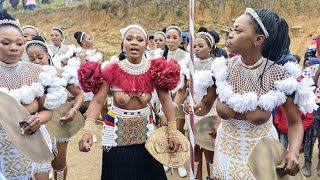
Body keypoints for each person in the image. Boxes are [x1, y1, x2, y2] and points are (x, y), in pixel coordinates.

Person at [184, 8, 317, 179]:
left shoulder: (278, 76)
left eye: (238, 30)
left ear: (258, 39)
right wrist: (194, 108)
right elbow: (204, 106)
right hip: (225, 153)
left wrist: (292, 152)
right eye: (231, 29)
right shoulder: (221, 70)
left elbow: (295, 122)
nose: (230, 34)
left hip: (261, 160)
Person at [78, 24, 181, 180]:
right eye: (129, 38)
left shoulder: (155, 70)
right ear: (123, 43)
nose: (134, 42)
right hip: (115, 137)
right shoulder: (111, 70)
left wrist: (172, 132)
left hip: (146, 134)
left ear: (147, 44)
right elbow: (98, 102)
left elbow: (166, 102)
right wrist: (88, 131)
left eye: (139, 39)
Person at [0, 10, 66, 179]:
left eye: (19, 43)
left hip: (33, 141)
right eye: (6, 43)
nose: (14, 48)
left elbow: (47, 110)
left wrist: (38, 119)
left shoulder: (36, 72)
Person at [26, 36, 84, 180]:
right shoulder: (25, 78)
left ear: (48, 54)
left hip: (60, 124)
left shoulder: (60, 74)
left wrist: (74, 110)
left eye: (40, 57)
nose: (37, 61)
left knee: (58, 164)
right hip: (36, 128)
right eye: (32, 59)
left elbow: (79, 95)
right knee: (37, 167)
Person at [176, 31, 217, 179]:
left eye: (201, 46)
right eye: (194, 46)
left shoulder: (216, 65)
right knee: (195, 147)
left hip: (210, 111)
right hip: (192, 110)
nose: (197, 49)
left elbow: (217, 94)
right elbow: (183, 89)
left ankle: (212, 176)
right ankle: (197, 177)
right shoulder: (189, 65)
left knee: (209, 148)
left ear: (210, 47)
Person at [162, 25, 189, 178]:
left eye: (174, 37)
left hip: (179, 99)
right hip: (163, 99)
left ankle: (179, 162)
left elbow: (184, 85)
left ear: (180, 40)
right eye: (168, 37)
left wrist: (175, 104)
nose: (171, 40)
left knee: (177, 131)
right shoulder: (160, 56)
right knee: (166, 129)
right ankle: (168, 159)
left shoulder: (185, 56)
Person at [301, 64, 320, 177]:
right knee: (310, 138)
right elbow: (308, 90)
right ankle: (307, 163)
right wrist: (317, 72)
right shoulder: (311, 69)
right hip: (314, 108)